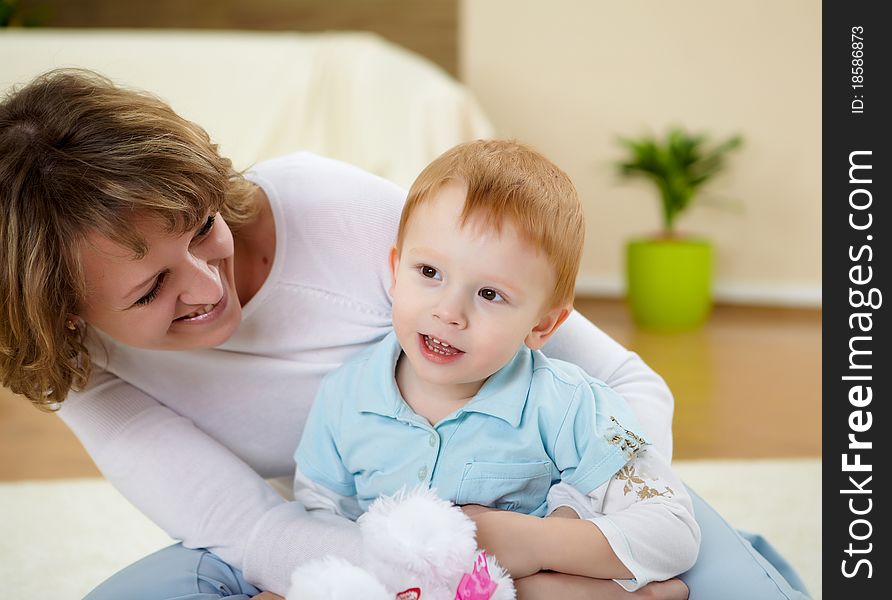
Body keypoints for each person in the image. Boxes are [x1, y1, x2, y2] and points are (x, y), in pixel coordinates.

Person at [0, 69, 809, 600]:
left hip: (556, 504)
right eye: (150, 290)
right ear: (69, 314)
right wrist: (488, 578)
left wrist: (570, 544)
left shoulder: (328, 209)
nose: (210, 285)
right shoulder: (80, 367)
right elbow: (252, 528)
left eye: (203, 226)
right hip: (349, 535)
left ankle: (749, 554)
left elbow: (628, 388)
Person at [293, 139, 700, 591]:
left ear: (543, 324)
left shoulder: (569, 405)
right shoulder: (344, 398)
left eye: (490, 294)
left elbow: (674, 531)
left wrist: (533, 541)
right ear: (395, 270)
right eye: (429, 272)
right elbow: (316, 521)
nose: (449, 312)